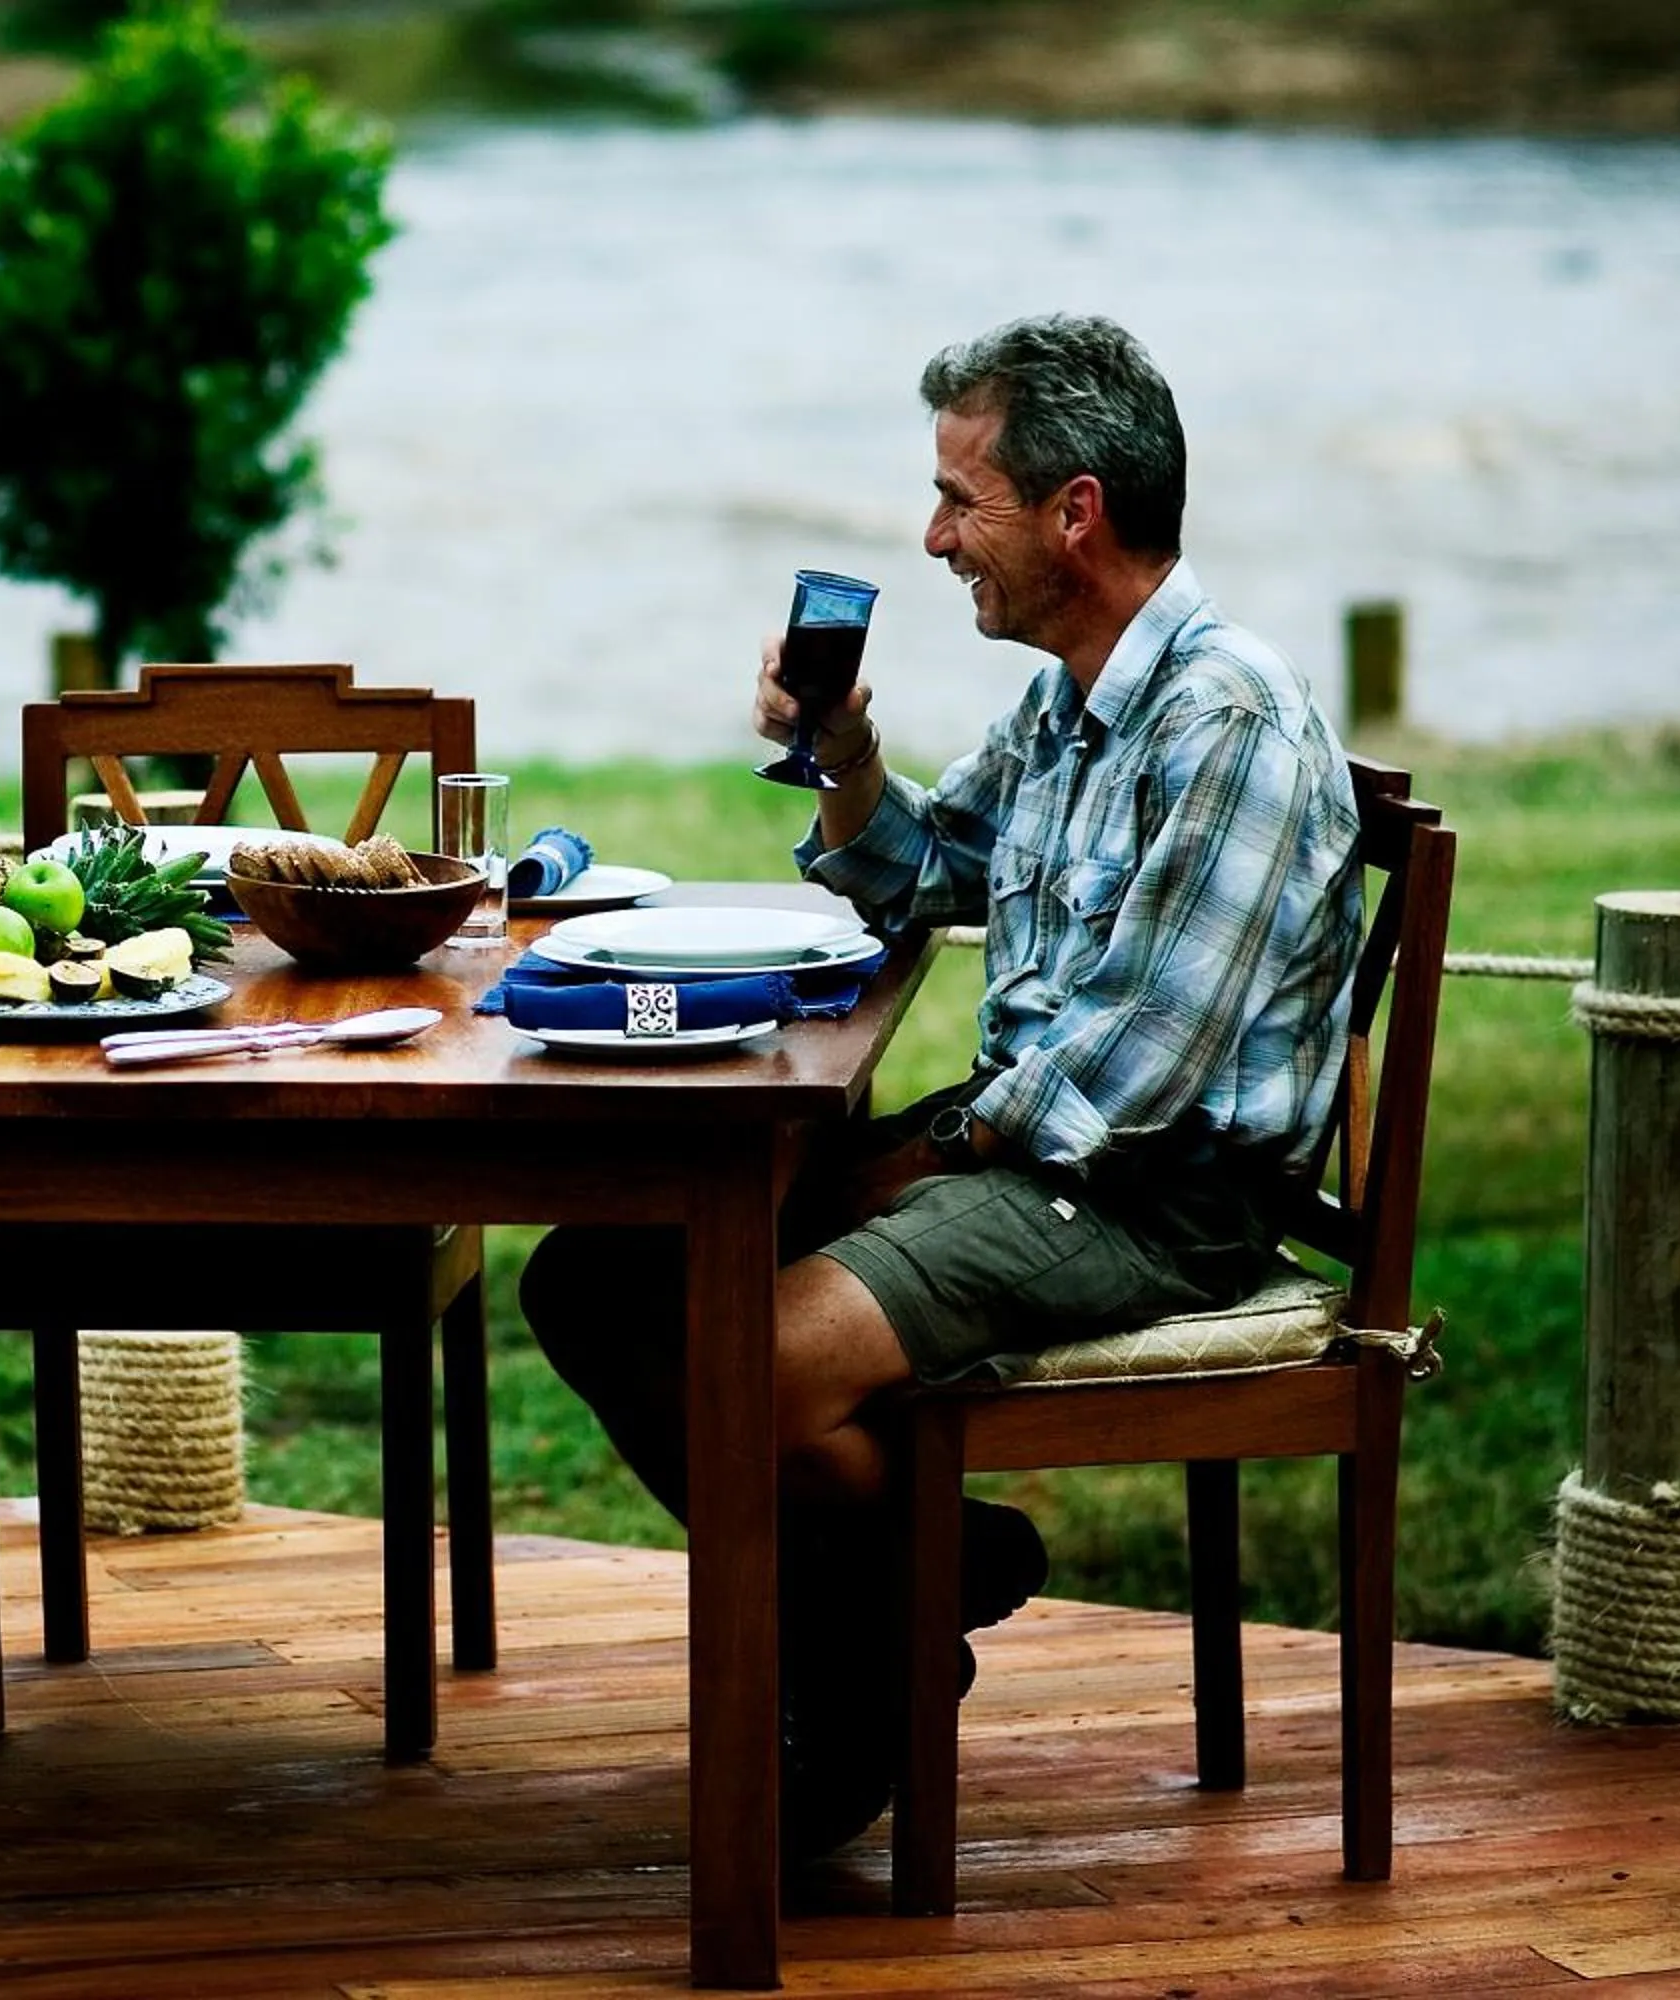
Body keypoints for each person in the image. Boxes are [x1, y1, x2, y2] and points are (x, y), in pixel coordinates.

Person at [522, 314, 1365, 1858]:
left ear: (1074, 512)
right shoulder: (1071, 701)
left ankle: (858, 1689)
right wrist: (846, 752)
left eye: (959, 500)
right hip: (1031, 1146)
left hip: (1151, 1194)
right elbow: (918, 874)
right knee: (594, 1279)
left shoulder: (1226, 720)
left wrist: (915, 1159)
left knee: (748, 1357)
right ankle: (921, 1583)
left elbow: (1137, 1073)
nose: (933, 539)